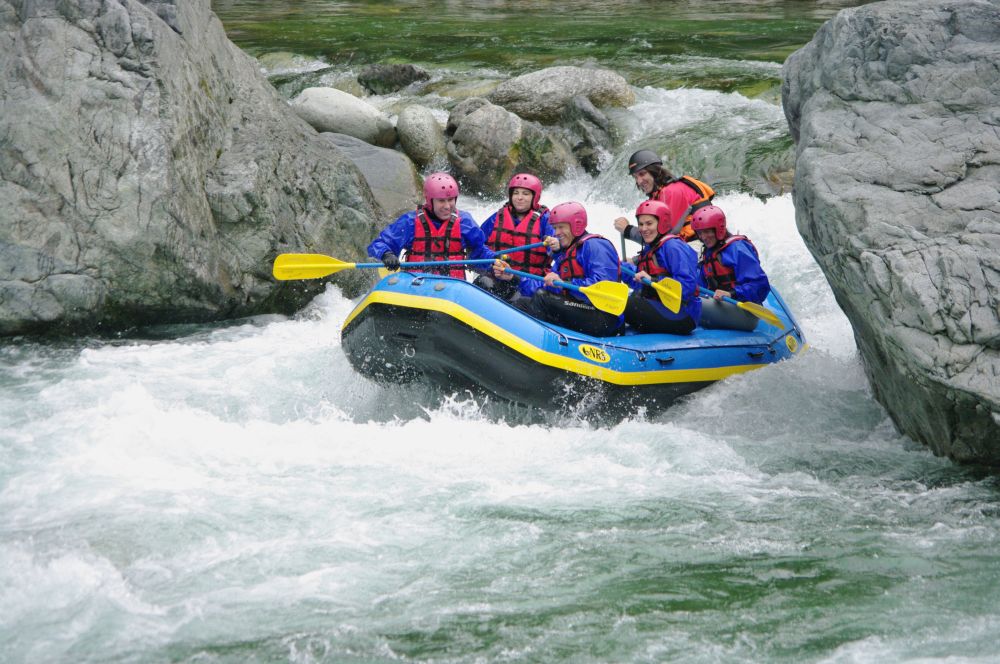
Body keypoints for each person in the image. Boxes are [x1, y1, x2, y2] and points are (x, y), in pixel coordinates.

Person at [493, 201, 621, 337]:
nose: (556, 233)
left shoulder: (596, 245)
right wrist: (513, 277)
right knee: (522, 303)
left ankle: (539, 340)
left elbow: (604, 288)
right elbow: (544, 285)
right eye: (555, 228)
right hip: (578, 308)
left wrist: (564, 285)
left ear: (577, 225)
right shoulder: (566, 254)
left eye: (561, 227)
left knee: (542, 297)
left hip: (604, 318)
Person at [366, 172, 494, 278]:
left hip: (453, 287)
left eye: (451, 200)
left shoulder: (465, 222)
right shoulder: (410, 222)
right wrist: (386, 254)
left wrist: (494, 259)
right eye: (441, 201)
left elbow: (480, 252)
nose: (447, 206)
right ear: (429, 200)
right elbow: (380, 243)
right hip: (417, 284)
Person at [474, 173, 557, 300]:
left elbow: (560, 250)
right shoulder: (497, 217)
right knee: (483, 282)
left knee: (518, 299)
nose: (519, 198)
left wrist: (555, 245)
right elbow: (477, 247)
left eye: (525, 194)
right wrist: (492, 260)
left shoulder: (545, 220)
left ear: (535, 197)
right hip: (499, 277)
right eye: (516, 193)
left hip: (528, 283)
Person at [623, 200, 701, 335]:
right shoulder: (651, 247)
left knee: (624, 303)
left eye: (649, 223)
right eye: (641, 224)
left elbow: (687, 287)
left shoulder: (673, 247)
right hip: (659, 306)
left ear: (662, 223)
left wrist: (653, 281)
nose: (643, 229)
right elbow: (641, 283)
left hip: (681, 314)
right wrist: (618, 268)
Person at [691, 205, 770, 332]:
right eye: (700, 233)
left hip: (744, 312)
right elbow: (701, 285)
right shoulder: (709, 252)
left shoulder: (737, 248)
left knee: (691, 304)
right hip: (720, 305)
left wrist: (731, 293)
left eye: (707, 231)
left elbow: (760, 286)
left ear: (718, 229)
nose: (703, 237)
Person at [613, 149, 715, 245]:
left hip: (698, 245)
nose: (639, 181)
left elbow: (662, 239)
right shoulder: (659, 194)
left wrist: (628, 230)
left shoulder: (671, 192)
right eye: (635, 177)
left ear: (654, 171)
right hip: (684, 246)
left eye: (642, 174)